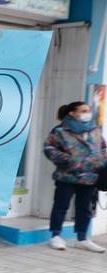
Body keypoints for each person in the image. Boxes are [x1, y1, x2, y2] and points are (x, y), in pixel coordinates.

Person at [44, 100, 107, 252]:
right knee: (61, 206)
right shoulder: (59, 131)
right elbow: (49, 148)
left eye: (88, 110)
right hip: (67, 176)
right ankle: (56, 236)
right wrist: (71, 161)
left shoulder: (95, 130)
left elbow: (104, 149)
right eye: (83, 110)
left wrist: (99, 162)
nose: (87, 113)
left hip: (90, 177)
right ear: (72, 113)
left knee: (84, 209)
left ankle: (82, 238)